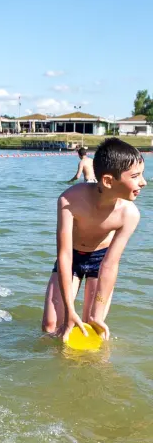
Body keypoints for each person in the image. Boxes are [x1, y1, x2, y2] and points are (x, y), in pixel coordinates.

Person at [42, 138, 146, 341]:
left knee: (93, 325)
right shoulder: (69, 200)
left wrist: (97, 314)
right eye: (136, 176)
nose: (144, 182)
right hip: (72, 258)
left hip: (101, 261)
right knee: (51, 326)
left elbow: (110, 264)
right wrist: (70, 310)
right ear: (108, 181)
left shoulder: (129, 214)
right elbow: (64, 256)